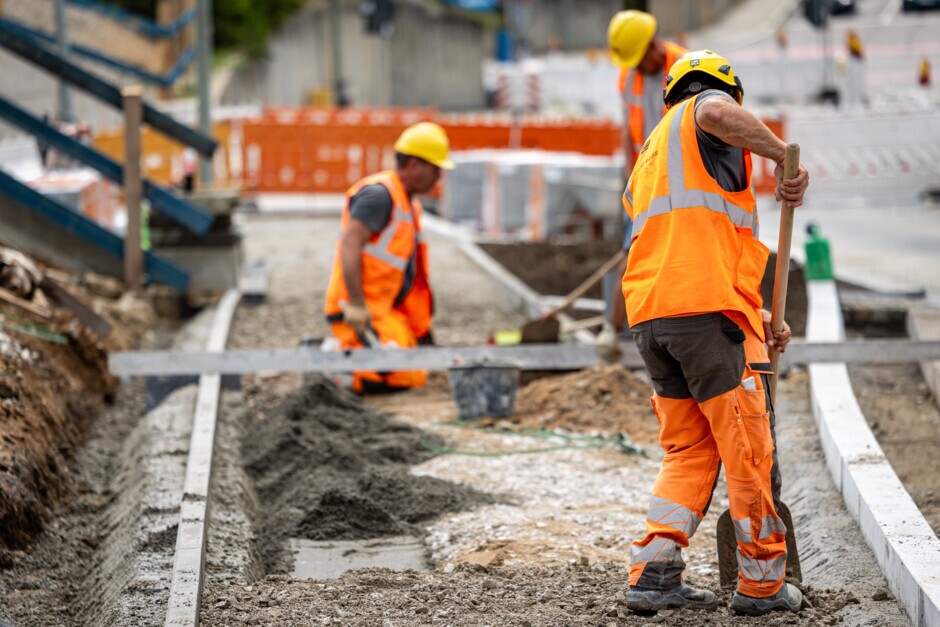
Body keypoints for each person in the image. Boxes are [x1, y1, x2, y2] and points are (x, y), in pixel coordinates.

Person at [620, 50, 809, 615]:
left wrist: (762, 322)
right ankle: (762, 583)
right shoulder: (703, 107)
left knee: (689, 450)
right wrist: (783, 158)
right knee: (746, 448)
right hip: (703, 315)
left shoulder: (649, 158)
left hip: (656, 320)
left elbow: (701, 247)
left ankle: (654, 574)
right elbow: (717, 114)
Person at [324, 122, 454, 393]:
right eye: (435, 169)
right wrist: (357, 305)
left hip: (380, 311)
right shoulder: (380, 195)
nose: (439, 178)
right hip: (355, 313)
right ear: (415, 165)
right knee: (398, 375)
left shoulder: (407, 204)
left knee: (413, 371)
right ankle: (333, 362)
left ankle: (349, 358)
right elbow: (350, 244)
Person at [598, 11, 687, 354]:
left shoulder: (684, 66)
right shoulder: (628, 75)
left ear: (653, 46)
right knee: (632, 249)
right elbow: (627, 131)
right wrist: (629, 177)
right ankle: (616, 326)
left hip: (679, 179)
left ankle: (633, 324)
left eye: (640, 60)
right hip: (643, 177)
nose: (636, 67)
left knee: (663, 252)